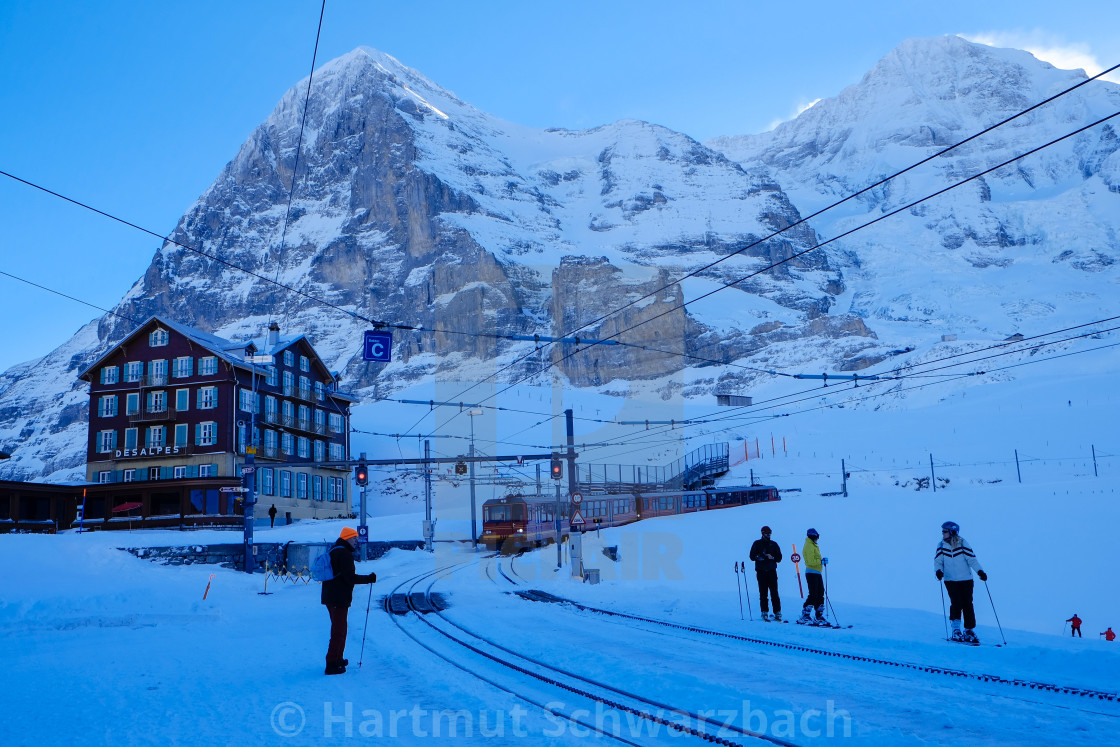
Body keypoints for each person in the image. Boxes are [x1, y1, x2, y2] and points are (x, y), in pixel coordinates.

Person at [321, 527, 376, 675]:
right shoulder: (344, 554)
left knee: (340, 629)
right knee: (339, 631)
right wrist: (368, 579)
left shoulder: (334, 550)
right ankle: (332, 663)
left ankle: (338, 658)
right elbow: (349, 578)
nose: (356, 541)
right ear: (347, 538)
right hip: (338, 598)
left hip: (332, 597)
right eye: (354, 538)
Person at [934, 521, 986, 644]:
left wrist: (980, 572)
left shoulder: (963, 544)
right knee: (956, 603)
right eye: (943, 531)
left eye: (945, 531)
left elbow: (972, 560)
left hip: (966, 580)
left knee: (968, 604)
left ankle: (968, 631)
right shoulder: (941, 546)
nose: (943, 533)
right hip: (950, 580)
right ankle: (956, 630)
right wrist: (938, 571)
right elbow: (938, 562)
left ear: (952, 532)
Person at [749, 526, 783, 621]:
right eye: (767, 533)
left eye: (769, 533)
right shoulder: (757, 543)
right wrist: (759, 557)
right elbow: (751, 556)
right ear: (762, 533)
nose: (768, 535)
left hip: (772, 571)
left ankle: (777, 612)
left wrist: (772, 557)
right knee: (763, 593)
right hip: (761, 571)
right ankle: (764, 612)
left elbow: (779, 558)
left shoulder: (774, 544)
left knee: (774, 593)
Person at [798, 528, 827, 625]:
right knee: (813, 594)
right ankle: (805, 615)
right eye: (817, 537)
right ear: (813, 536)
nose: (817, 539)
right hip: (811, 572)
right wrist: (821, 562)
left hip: (817, 572)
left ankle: (818, 616)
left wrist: (821, 561)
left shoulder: (813, 545)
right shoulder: (809, 545)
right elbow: (810, 561)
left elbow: (815, 559)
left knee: (820, 593)